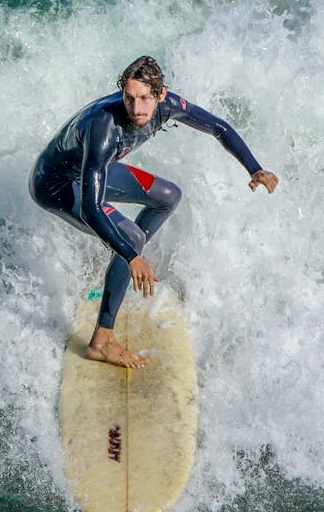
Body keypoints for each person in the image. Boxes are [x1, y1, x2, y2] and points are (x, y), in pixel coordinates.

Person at [29, 56, 278, 369]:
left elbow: (219, 127)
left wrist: (254, 169)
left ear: (161, 95)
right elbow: (91, 208)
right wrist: (131, 256)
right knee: (130, 239)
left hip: (89, 172)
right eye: (129, 98)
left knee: (168, 196)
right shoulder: (104, 128)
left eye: (145, 98)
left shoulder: (169, 105)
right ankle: (101, 341)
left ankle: (121, 261)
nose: (136, 109)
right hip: (56, 184)